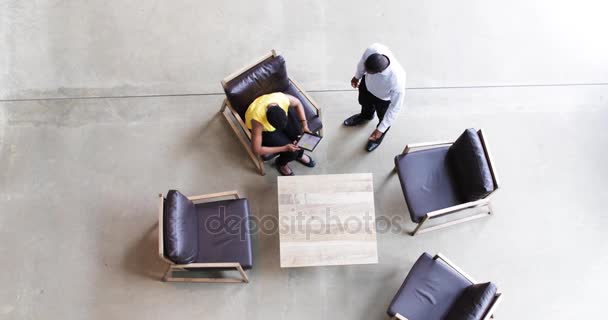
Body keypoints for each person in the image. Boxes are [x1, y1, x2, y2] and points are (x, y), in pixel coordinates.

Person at [343, 43, 406, 152]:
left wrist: (380, 130)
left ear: (379, 72)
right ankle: (366, 116)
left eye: (368, 72)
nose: (365, 72)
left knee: (383, 118)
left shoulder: (397, 80)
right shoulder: (373, 50)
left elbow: (395, 108)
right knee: (365, 104)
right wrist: (357, 77)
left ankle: (377, 136)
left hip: (383, 99)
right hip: (367, 87)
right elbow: (362, 64)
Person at [246, 92, 316, 176]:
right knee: (291, 153)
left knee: (300, 135)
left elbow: (298, 103)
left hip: (277, 119)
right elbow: (256, 150)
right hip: (266, 130)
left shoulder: (282, 99)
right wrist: (284, 148)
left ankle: (299, 155)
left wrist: (304, 125)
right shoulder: (257, 121)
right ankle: (281, 163)